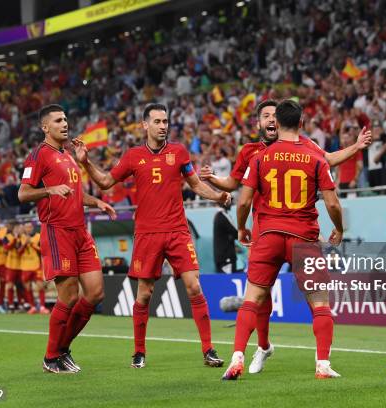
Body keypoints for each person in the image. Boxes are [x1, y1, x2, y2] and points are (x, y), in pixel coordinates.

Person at [200, 99, 370, 374]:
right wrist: (338, 228)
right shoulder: (312, 155)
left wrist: (242, 227)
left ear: (276, 123)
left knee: (251, 299)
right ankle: (322, 364)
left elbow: (242, 201)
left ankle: (237, 358)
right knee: (320, 303)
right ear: (301, 124)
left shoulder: (260, 157)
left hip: (267, 236)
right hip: (303, 238)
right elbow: (333, 203)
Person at [74, 103, 230, 369]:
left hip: (178, 231)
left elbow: (195, 184)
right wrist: (86, 162)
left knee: (194, 286)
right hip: (147, 234)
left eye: (165, 121)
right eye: (157, 121)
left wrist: (217, 196)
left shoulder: (179, 152)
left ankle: (208, 350)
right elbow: (105, 182)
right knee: (144, 295)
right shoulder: (133, 156)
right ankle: (139, 351)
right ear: (145, 125)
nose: (162, 126)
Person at [18, 104, 116, 374]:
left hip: (80, 232)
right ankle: (52, 357)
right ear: (45, 127)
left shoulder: (69, 156)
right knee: (69, 297)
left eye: (65, 119)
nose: (64, 123)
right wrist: (49, 190)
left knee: (95, 293)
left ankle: (63, 349)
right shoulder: (39, 154)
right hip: (57, 229)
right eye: (58, 120)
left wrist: (97, 202)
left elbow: (74, 194)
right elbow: (23, 194)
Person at [19, 222, 43, 314]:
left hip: (36, 265)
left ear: (32, 227)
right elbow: (18, 252)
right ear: (24, 228)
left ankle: (42, 307)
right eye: (26, 227)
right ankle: (32, 306)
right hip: (25, 266)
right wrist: (25, 244)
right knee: (27, 287)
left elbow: (43, 250)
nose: (28, 229)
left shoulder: (38, 236)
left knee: (40, 286)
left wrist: (32, 244)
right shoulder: (20, 237)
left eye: (30, 227)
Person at [213, 202, 239, 273]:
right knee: (228, 282)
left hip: (222, 257)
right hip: (226, 258)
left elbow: (227, 235)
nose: (231, 204)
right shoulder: (222, 216)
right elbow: (235, 233)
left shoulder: (219, 215)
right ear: (223, 203)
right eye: (229, 202)